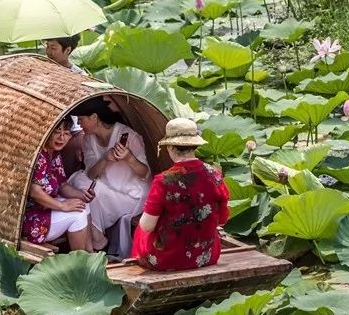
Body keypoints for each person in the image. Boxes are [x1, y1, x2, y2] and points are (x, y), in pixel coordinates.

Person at [132, 118, 230, 271]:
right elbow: (222, 219)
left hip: (169, 258)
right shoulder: (215, 174)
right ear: (194, 145)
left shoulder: (163, 181)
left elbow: (147, 225)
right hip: (206, 254)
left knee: (140, 230)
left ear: (170, 147)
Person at [68, 98, 151, 251]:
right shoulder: (88, 139)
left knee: (85, 186)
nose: (78, 124)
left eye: (81, 119)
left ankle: (97, 238)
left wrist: (129, 158)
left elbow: (145, 173)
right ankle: (96, 236)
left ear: (94, 117)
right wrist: (105, 158)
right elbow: (91, 174)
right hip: (106, 189)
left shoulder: (128, 135)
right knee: (80, 181)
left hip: (132, 196)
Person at [22, 121, 93, 251]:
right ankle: (80, 261)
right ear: (47, 132)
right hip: (31, 217)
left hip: (45, 207)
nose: (62, 137)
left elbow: (62, 185)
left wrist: (82, 194)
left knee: (83, 203)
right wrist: (63, 206)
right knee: (77, 215)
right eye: (57, 132)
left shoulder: (54, 154)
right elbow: (35, 192)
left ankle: (90, 253)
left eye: (66, 133)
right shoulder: (39, 156)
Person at [44, 35, 86, 174]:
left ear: (67, 50)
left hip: (70, 129)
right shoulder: (41, 69)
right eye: (47, 46)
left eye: (53, 48)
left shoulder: (79, 76)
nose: (49, 52)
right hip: (44, 126)